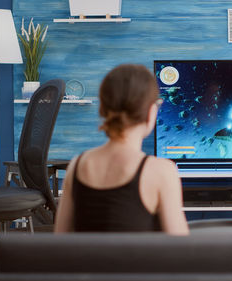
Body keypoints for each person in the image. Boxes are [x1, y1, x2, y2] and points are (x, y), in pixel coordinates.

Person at [54, 64, 189, 235]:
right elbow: (182, 250)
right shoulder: (162, 171)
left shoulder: (77, 166)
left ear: (103, 109)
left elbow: (61, 240)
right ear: (150, 112)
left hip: (86, 262)